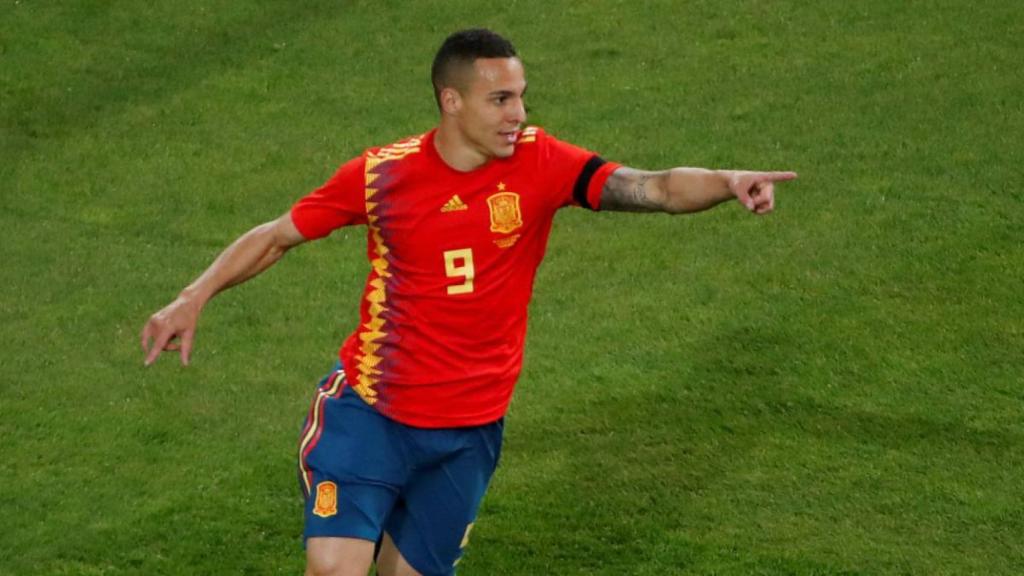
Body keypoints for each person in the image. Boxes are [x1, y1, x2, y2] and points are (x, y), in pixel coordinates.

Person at [140, 28, 796, 576]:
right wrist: (194, 295)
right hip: (373, 415)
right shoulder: (381, 176)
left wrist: (729, 180)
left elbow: (650, 188)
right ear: (452, 101)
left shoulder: (542, 163)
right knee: (335, 568)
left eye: (521, 97)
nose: (518, 114)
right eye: (500, 99)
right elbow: (279, 235)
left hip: (469, 432)